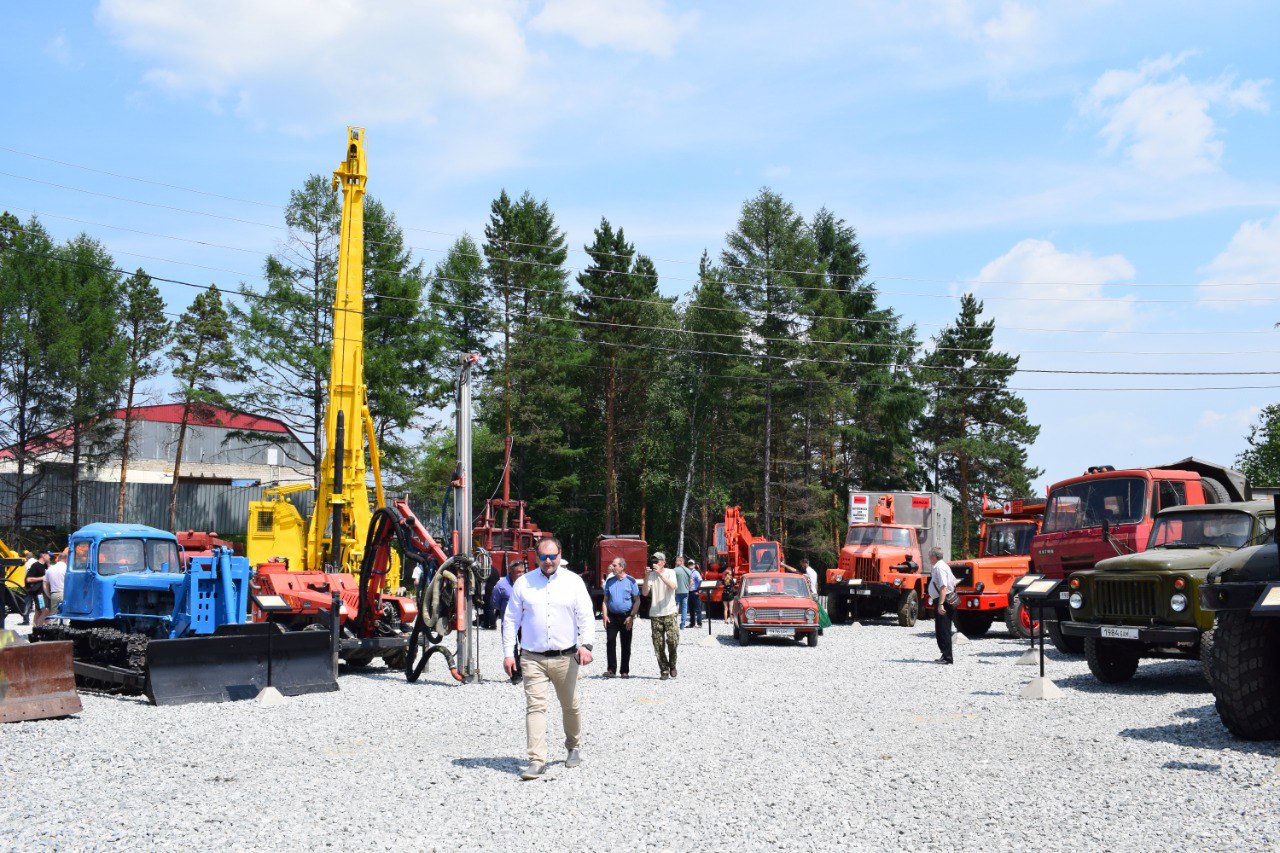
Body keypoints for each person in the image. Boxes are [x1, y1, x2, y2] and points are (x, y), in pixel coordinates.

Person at [502, 537, 594, 781]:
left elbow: (586, 615)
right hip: (532, 658)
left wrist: (586, 645)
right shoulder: (523, 583)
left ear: (560, 554)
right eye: (543, 557)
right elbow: (510, 620)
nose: (548, 561)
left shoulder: (573, 582)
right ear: (536, 557)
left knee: (570, 705)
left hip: (566, 656)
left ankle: (573, 746)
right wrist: (508, 653)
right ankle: (536, 760)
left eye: (552, 556)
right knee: (535, 707)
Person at [601, 557, 640, 678]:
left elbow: (637, 600)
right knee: (610, 641)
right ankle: (611, 669)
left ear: (622, 567)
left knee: (626, 644)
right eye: (612, 565)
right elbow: (605, 601)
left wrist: (632, 616)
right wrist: (604, 615)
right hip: (612, 617)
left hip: (626, 617)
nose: (612, 567)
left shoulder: (631, 581)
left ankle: (624, 671)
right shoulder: (610, 581)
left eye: (615, 565)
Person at [644, 552, 679, 678]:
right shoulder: (651, 575)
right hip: (655, 613)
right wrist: (646, 577)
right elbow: (645, 593)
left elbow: (673, 586)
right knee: (658, 644)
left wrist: (660, 574)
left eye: (657, 561)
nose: (655, 563)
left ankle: (673, 664)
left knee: (673, 641)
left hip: (669, 611)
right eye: (653, 561)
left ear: (663, 562)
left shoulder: (671, 572)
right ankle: (664, 669)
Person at [491, 560, 526, 682]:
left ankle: (524, 671)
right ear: (510, 572)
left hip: (525, 621)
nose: (521, 574)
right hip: (509, 622)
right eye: (518, 572)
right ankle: (515, 675)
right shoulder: (501, 585)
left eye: (522, 571)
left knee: (526, 647)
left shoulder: (528, 583)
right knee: (511, 648)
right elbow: (494, 603)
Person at [927, 546, 959, 664]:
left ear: (934, 557)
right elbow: (954, 581)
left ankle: (947, 658)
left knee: (944, 629)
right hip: (943, 599)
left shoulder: (939, 568)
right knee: (941, 629)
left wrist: (941, 604)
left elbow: (944, 587)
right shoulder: (943, 566)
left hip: (943, 601)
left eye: (930, 555)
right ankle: (944, 654)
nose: (929, 558)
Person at [25, 551, 50, 628]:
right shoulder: (35, 566)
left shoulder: (46, 566)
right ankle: (39, 629)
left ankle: (37, 628)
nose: (50, 557)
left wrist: (48, 564)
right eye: (48, 555)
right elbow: (28, 579)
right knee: (44, 611)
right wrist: (42, 578)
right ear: (43, 555)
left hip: (45, 592)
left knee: (39, 611)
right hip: (39, 593)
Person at [44, 549, 68, 618]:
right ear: (66, 560)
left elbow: (45, 584)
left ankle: (53, 627)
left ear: (58, 559)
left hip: (54, 594)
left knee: (54, 614)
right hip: (65, 594)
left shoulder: (50, 569)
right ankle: (64, 627)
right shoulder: (67, 569)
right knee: (65, 615)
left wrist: (49, 595)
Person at [674, 555, 692, 628]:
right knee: (684, 608)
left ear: (681, 561)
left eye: (677, 561)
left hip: (677, 592)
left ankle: (673, 623)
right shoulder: (688, 570)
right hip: (685, 592)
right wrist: (688, 588)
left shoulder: (675, 570)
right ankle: (682, 624)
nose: (675, 562)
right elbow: (692, 582)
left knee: (674, 607)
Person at [687, 560, 704, 627]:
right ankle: (692, 623)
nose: (690, 565)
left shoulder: (696, 572)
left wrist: (699, 590)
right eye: (689, 564)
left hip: (694, 592)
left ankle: (699, 623)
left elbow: (700, 581)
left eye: (692, 564)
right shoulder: (688, 572)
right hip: (689, 592)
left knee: (697, 609)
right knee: (691, 609)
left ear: (694, 565)